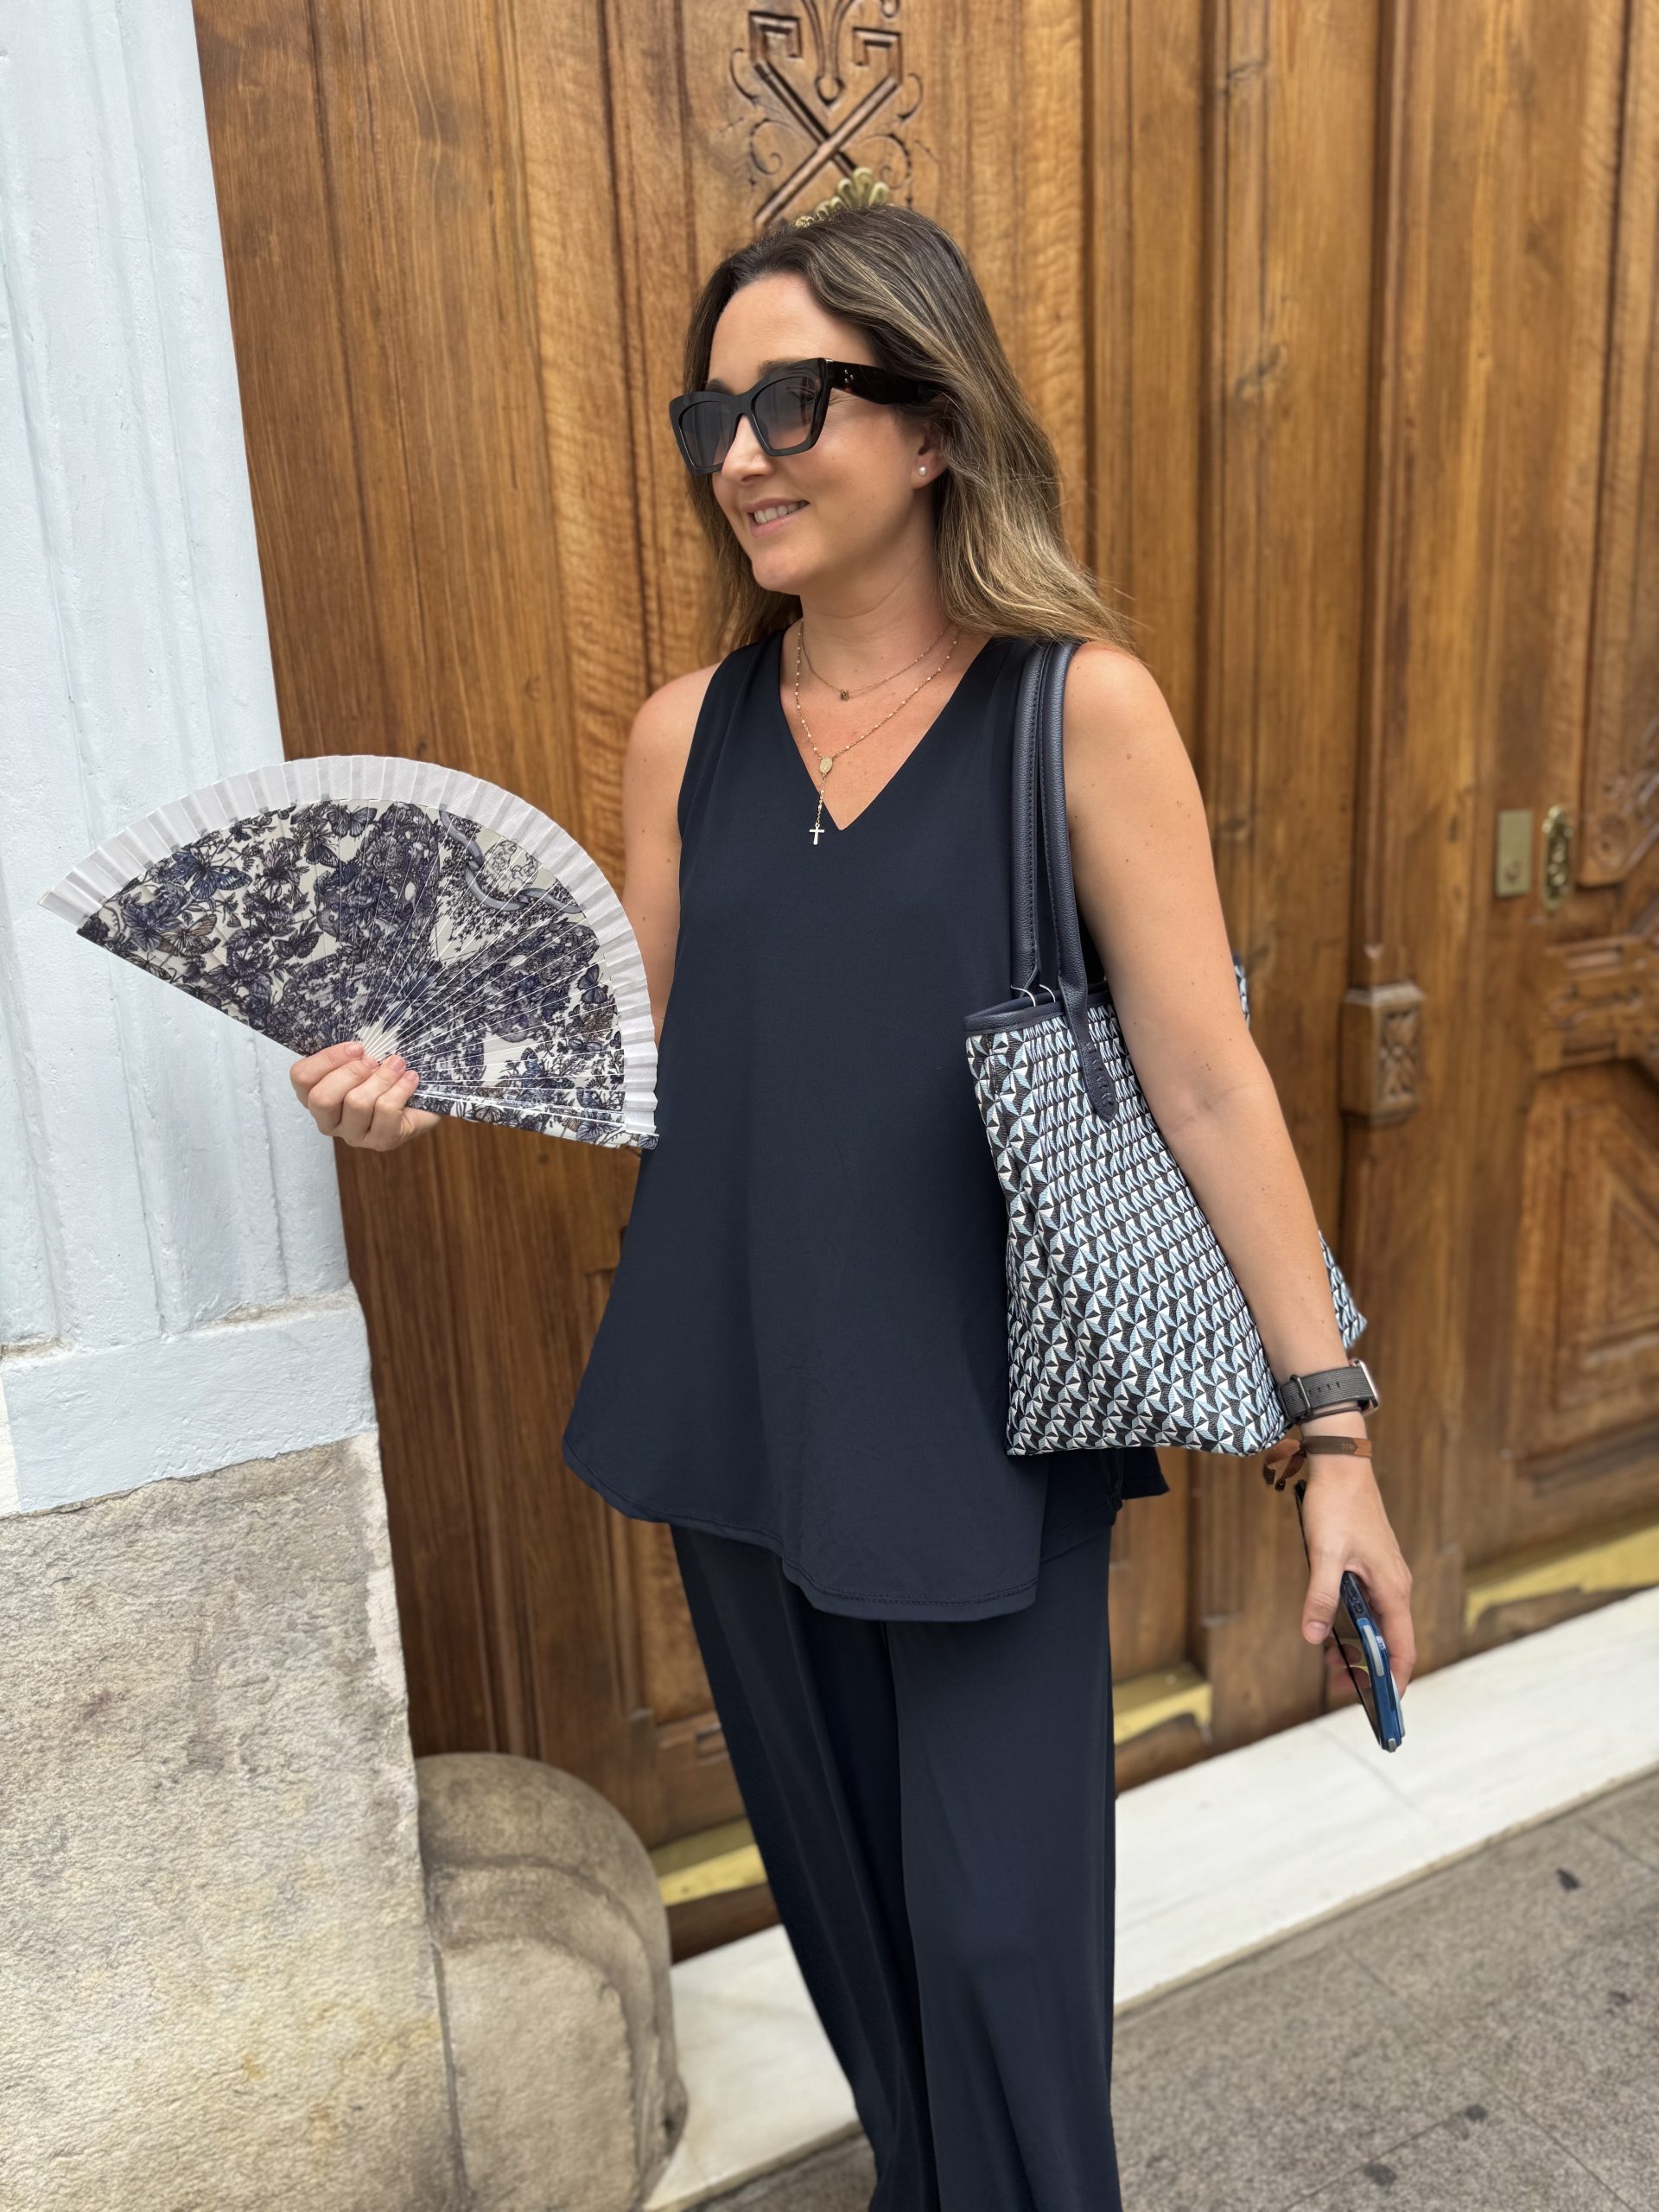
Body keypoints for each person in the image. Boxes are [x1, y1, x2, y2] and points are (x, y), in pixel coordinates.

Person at [290, 201, 1414, 2210]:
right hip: (745, 1410)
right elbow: (639, 1054)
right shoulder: (685, 735)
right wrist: (424, 1089)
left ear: (936, 424)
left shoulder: (1073, 712)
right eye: (711, 411)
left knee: (999, 1939)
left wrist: (1332, 1434)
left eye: (794, 399)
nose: (741, 451)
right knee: (858, 1921)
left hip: (980, 1424)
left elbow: (1209, 1080)